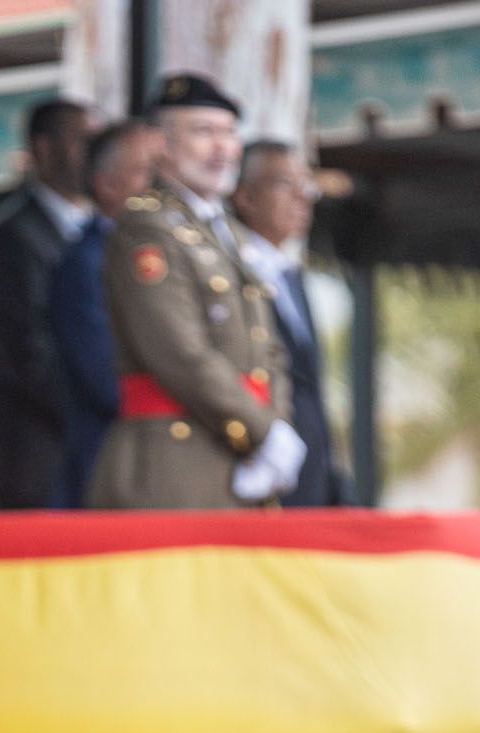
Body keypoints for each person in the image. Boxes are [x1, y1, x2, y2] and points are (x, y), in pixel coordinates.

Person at [88, 73, 304, 512]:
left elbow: (270, 351)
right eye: (204, 133)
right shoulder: (146, 226)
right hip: (173, 464)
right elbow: (177, 351)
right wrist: (263, 432)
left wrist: (275, 427)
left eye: (229, 133)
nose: (222, 149)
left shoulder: (224, 233)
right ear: (158, 145)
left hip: (234, 457)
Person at [0, 97, 90, 509]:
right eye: (82, 141)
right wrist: (99, 411)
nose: (92, 156)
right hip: (42, 462)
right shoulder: (14, 238)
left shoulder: (98, 231)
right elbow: (27, 357)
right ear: (44, 149)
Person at [47, 118, 162, 507]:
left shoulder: (159, 252)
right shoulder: (87, 262)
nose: (158, 187)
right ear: (106, 184)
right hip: (116, 469)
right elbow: (106, 379)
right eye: (145, 172)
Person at [232, 139, 351, 507]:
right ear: (245, 197)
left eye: (307, 185)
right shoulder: (229, 268)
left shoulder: (292, 277)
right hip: (256, 468)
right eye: (285, 183)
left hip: (309, 472)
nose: (303, 197)